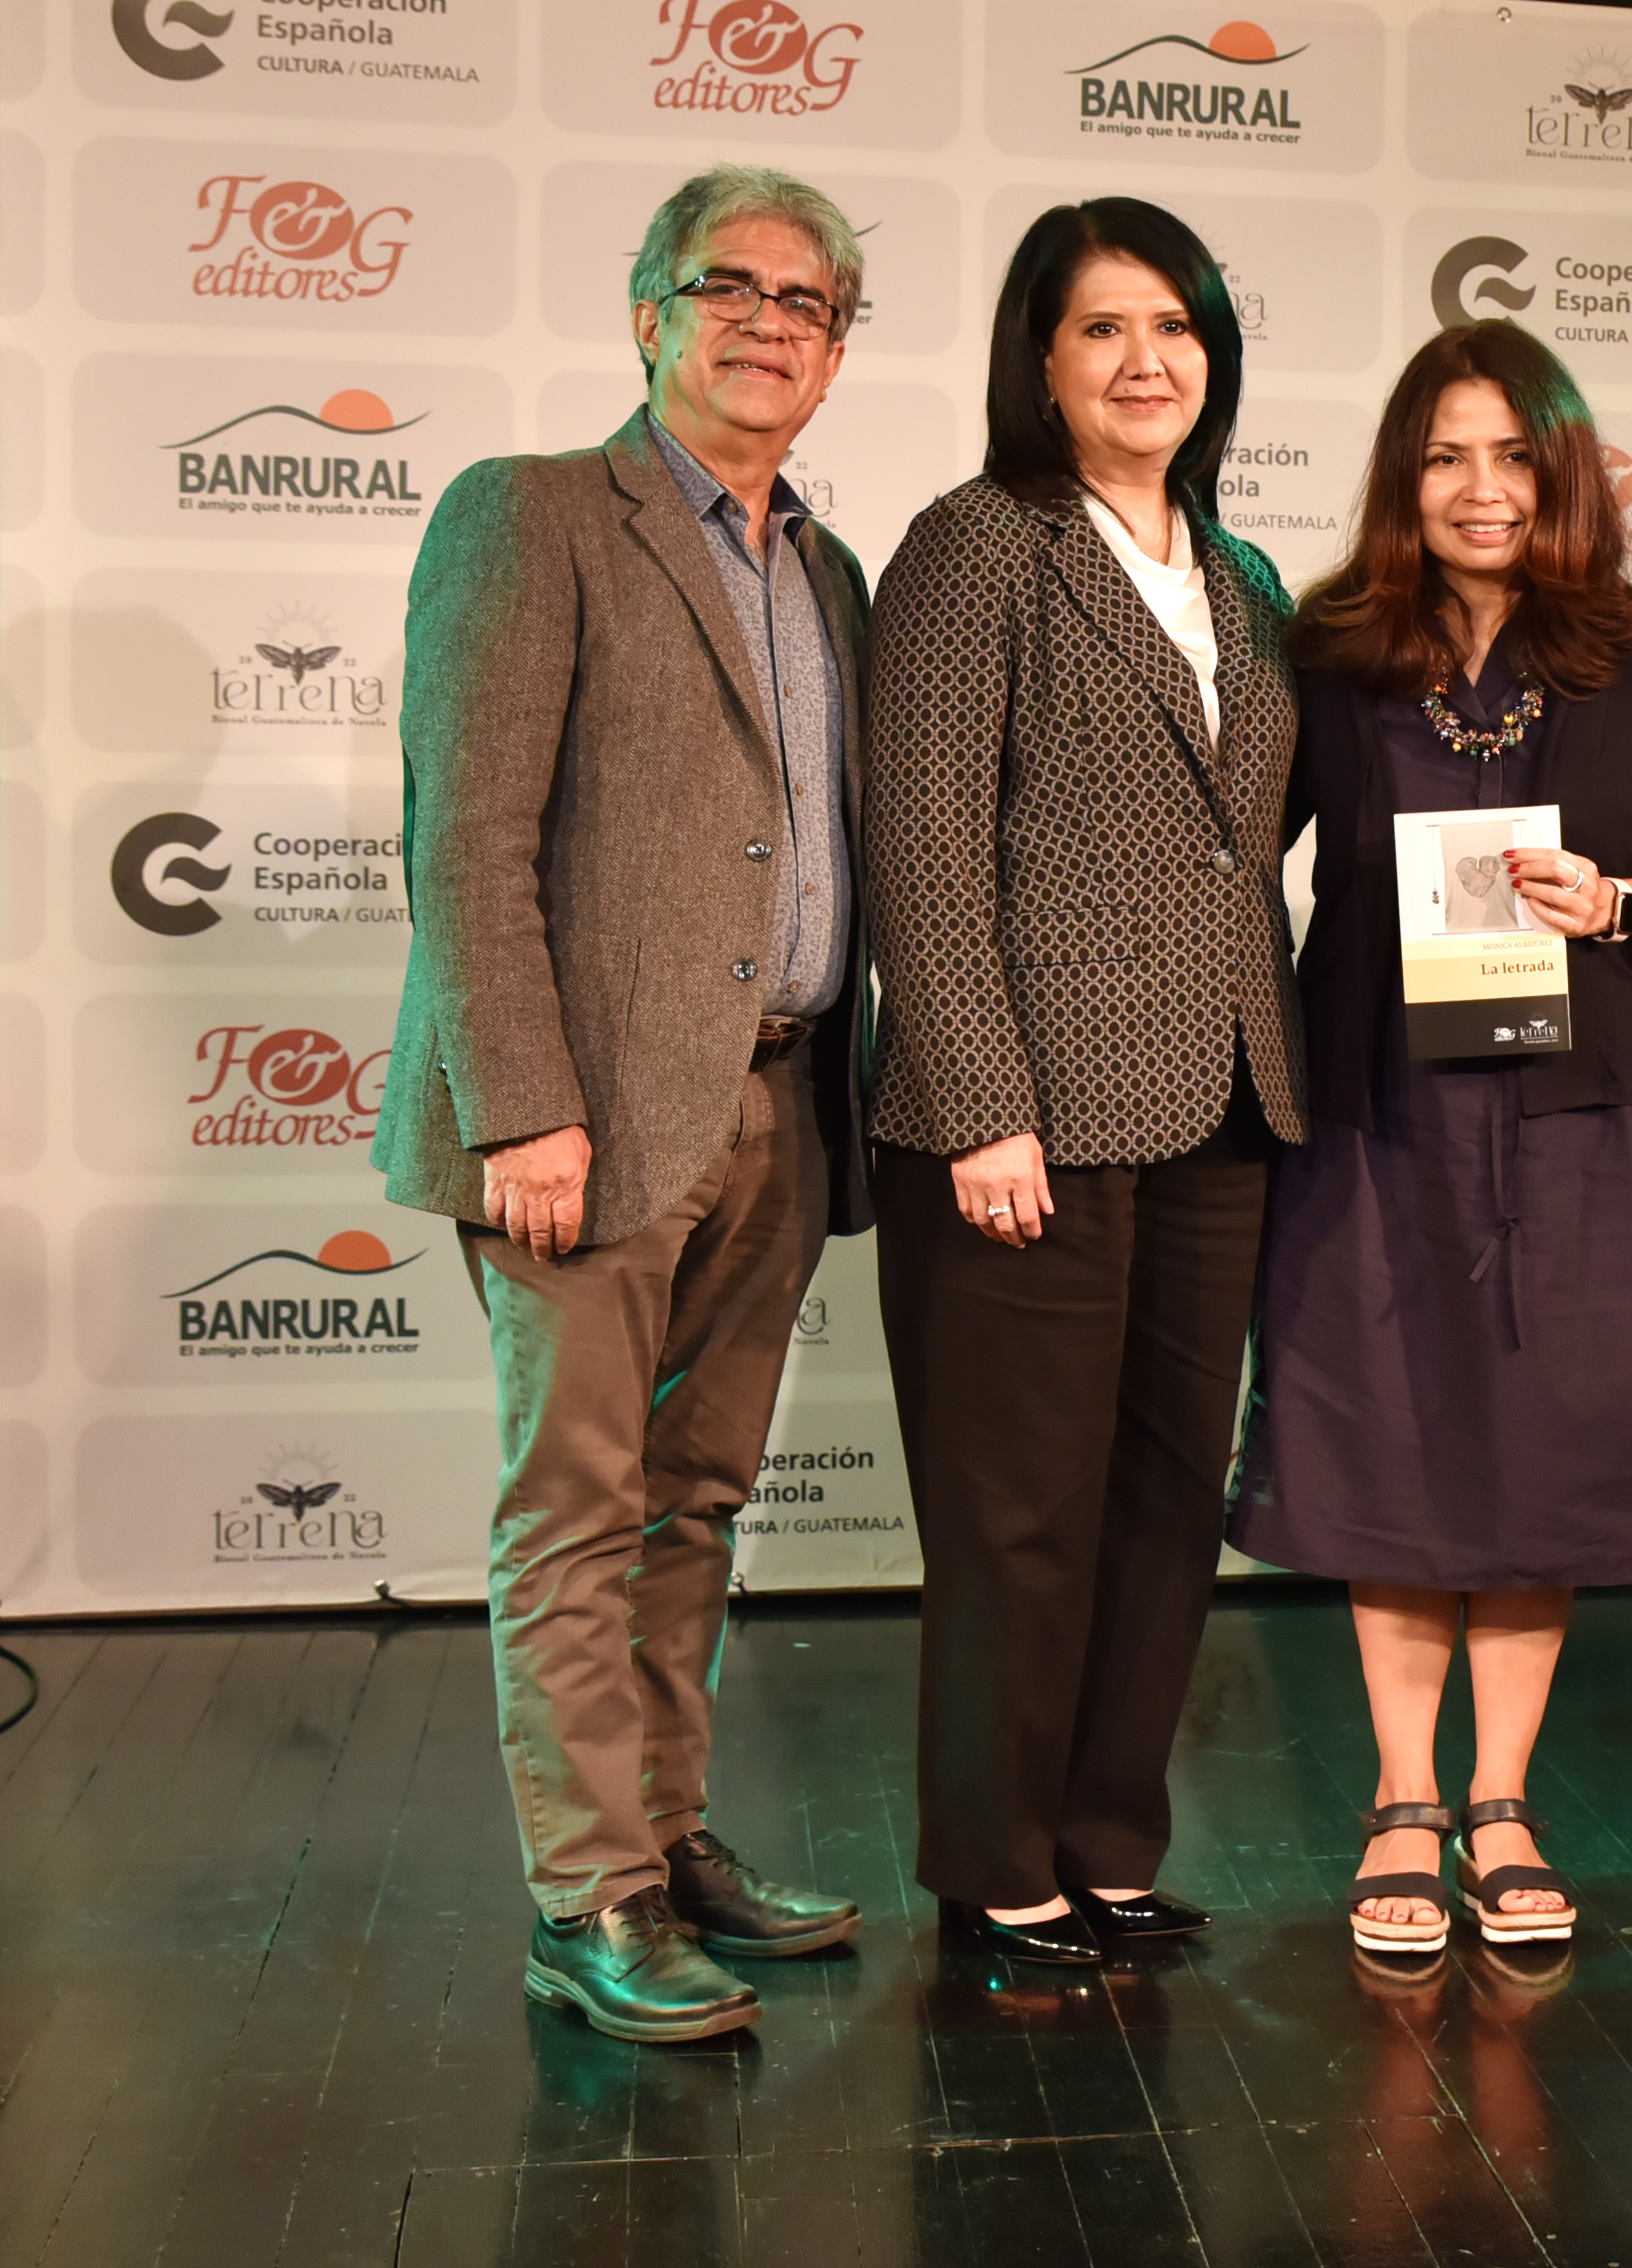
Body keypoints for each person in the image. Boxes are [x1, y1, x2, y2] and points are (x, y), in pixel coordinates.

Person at [377, 164, 874, 2042]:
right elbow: (470, 836)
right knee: (576, 1513)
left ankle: (662, 1845)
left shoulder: (825, 565)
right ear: (647, 313)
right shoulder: (529, 518)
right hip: (580, 1122)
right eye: (726, 285)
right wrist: (519, 1107)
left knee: (700, 1502)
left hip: (784, 1109)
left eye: (806, 300)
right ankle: (586, 1900)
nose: (768, 320)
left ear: (836, 352)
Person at [1228, 323, 1632, 1954]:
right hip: (1376, 1106)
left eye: (1513, 454)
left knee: (1545, 1447)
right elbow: (1231, 847)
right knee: (1392, 1437)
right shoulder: (1329, 649)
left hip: (1580, 1112)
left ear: (1561, 470)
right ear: (1403, 477)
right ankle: (1401, 1803)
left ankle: (1503, 1801)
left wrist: (1627, 903)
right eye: (1447, 455)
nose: (1481, 487)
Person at [860, 199, 1310, 1968]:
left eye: (1178, 329)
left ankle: (1110, 1838)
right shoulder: (975, 550)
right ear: (1038, 366)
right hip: (1023, 1119)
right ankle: (995, 1861)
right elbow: (921, 843)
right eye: (1106, 330)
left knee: (1158, 1506)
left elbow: (1250, 832)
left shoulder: (1246, 577)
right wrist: (979, 1105)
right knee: (1017, 1516)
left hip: (1219, 1107)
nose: (1148, 363)